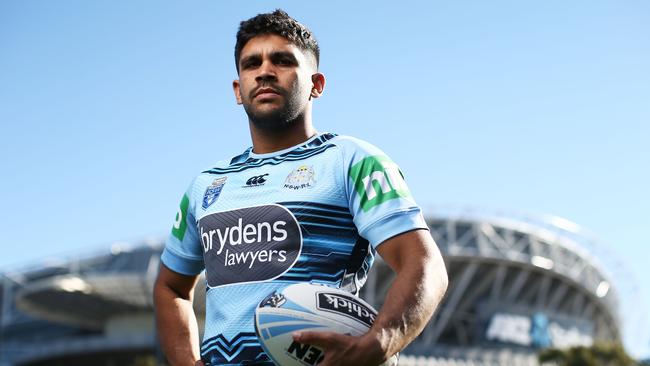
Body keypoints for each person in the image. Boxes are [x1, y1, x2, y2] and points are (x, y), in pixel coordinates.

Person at [153, 9, 448, 366]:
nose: (264, 71)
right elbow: (170, 286)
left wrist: (380, 341)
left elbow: (424, 265)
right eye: (251, 64)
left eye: (282, 60)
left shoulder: (351, 160)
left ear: (316, 84)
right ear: (237, 89)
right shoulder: (206, 186)